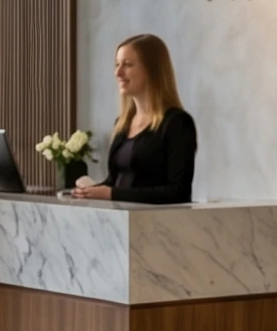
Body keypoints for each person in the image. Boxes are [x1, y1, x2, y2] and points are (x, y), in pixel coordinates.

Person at [70, 34, 197, 204]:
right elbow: (115, 182)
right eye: (117, 64)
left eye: (127, 65)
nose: (118, 72)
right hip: (120, 224)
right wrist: (88, 192)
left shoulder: (178, 123)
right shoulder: (122, 123)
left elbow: (178, 192)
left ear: (152, 70)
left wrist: (111, 194)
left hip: (154, 226)